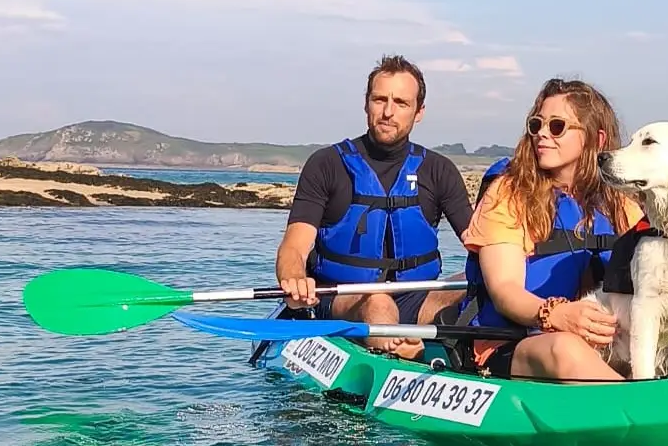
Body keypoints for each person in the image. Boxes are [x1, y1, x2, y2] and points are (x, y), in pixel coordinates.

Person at [274, 54, 474, 359]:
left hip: (416, 298)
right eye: (380, 99)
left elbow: (478, 245)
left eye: (401, 103)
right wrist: (295, 278)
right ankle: (396, 348)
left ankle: (448, 348)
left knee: (473, 281)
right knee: (378, 301)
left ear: (419, 112)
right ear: (366, 103)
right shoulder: (326, 164)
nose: (388, 112)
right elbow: (294, 246)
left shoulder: (439, 170)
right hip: (346, 298)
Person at [454, 77, 646, 382]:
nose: (542, 134)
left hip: (605, 344)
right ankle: (643, 411)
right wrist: (555, 315)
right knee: (566, 348)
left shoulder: (621, 207)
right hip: (516, 342)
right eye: (536, 125)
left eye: (557, 126)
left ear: (596, 139)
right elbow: (505, 291)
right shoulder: (508, 194)